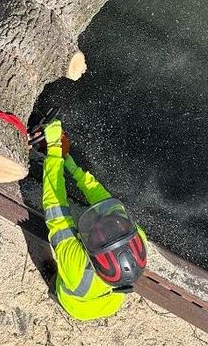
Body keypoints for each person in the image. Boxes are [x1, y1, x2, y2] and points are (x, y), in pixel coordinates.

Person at [42, 118, 147, 321]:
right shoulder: (135, 237)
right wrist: (72, 166)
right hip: (110, 305)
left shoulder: (77, 270)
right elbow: (105, 200)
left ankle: (54, 288)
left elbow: (55, 207)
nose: (102, 227)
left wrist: (54, 150)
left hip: (76, 306)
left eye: (95, 237)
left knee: (60, 286)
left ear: (92, 258)